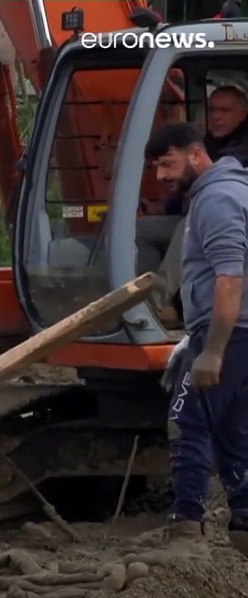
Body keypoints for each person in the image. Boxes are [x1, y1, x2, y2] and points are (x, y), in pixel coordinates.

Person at [144, 122, 248, 557]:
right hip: (237, 333)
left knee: (187, 421)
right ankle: (243, 523)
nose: (161, 176)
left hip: (231, 333)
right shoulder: (228, 191)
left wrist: (212, 351)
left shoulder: (218, 200)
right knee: (232, 429)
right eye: (155, 167)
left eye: (167, 163)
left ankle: (186, 528)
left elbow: (229, 278)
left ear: (194, 154)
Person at [138, 85, 248, 322]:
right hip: (193, 211)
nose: (216, 116)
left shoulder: (237, 153)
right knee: (142, 230)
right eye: (212, 110)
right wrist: (165, 208)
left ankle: (156, 304)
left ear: (243, 114)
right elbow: (187, 181)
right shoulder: (204, 141)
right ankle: (138, 294)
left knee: (186, 227)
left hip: (228, 217)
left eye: (225, 111)